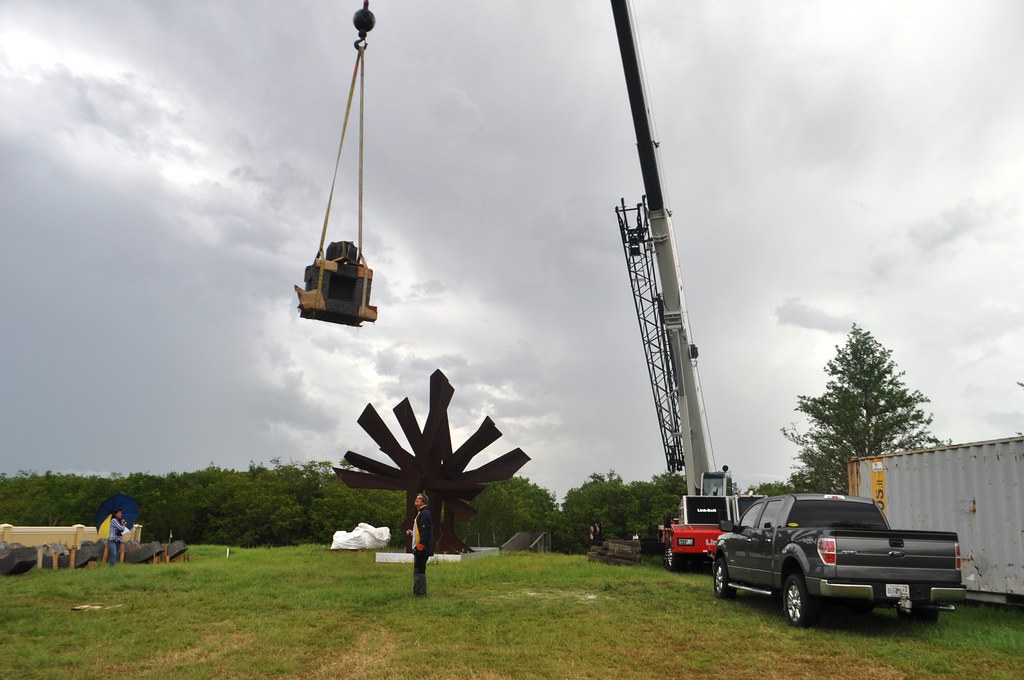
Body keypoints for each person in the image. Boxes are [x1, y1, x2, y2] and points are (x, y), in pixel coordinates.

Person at [406, 492, 434, 597]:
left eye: (419, 498)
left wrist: (420, 546)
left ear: (424, 502)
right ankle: (417, 592)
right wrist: (412, 533)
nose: (416, 499)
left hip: (422, 548)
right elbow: (420, 531)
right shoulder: (421, 513)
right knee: (417, 569)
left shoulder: (424, 513)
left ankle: (421, 593)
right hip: (420, 546)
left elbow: (425, 531)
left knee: (420, 570)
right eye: (416, 498)